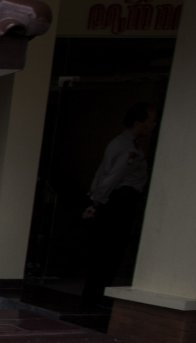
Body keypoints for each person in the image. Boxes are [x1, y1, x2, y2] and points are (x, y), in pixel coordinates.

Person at [81, 101, 157, 302]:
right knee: (109, 250)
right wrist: (96, 202)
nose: (152, 125)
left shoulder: (125, 144)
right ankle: (96, 295)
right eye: (150, 121)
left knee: (107, 250)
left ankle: (95, 294)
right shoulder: (125, 147)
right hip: (118, 200)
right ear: (138, 122)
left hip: (114, 199)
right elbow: (112, 176)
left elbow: (103, 173)